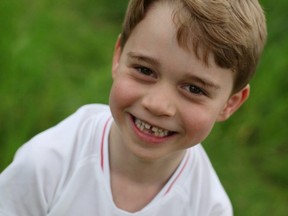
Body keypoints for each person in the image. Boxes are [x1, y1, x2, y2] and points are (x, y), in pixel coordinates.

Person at [0, 0, 267, 215]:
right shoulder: (47, 164)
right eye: (144, 70)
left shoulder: (208, 207)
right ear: (118, 56)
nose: (158, 105)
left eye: (194, 89)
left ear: (229, 104)